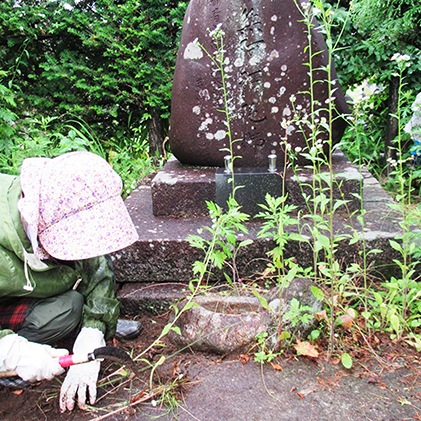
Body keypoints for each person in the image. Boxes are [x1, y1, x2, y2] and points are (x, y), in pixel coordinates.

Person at [0, 151, 141, 412]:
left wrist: (93, 330)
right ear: (38, 222)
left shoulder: (48, 203)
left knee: (69, 307)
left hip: (15, 294)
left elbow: (95, 269)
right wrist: (10, 354)